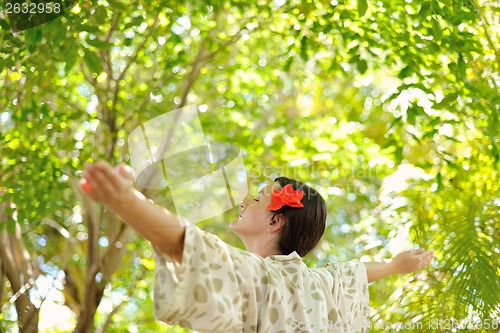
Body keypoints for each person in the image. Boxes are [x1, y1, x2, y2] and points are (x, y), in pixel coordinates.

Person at [80, 162, 434, 332]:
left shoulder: (258, 276)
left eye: (257, 198)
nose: (243, 201)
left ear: (275, 221)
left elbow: (187, 243)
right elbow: (357, 272)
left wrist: (126, 201)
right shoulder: (322, 284)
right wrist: (395, 265)